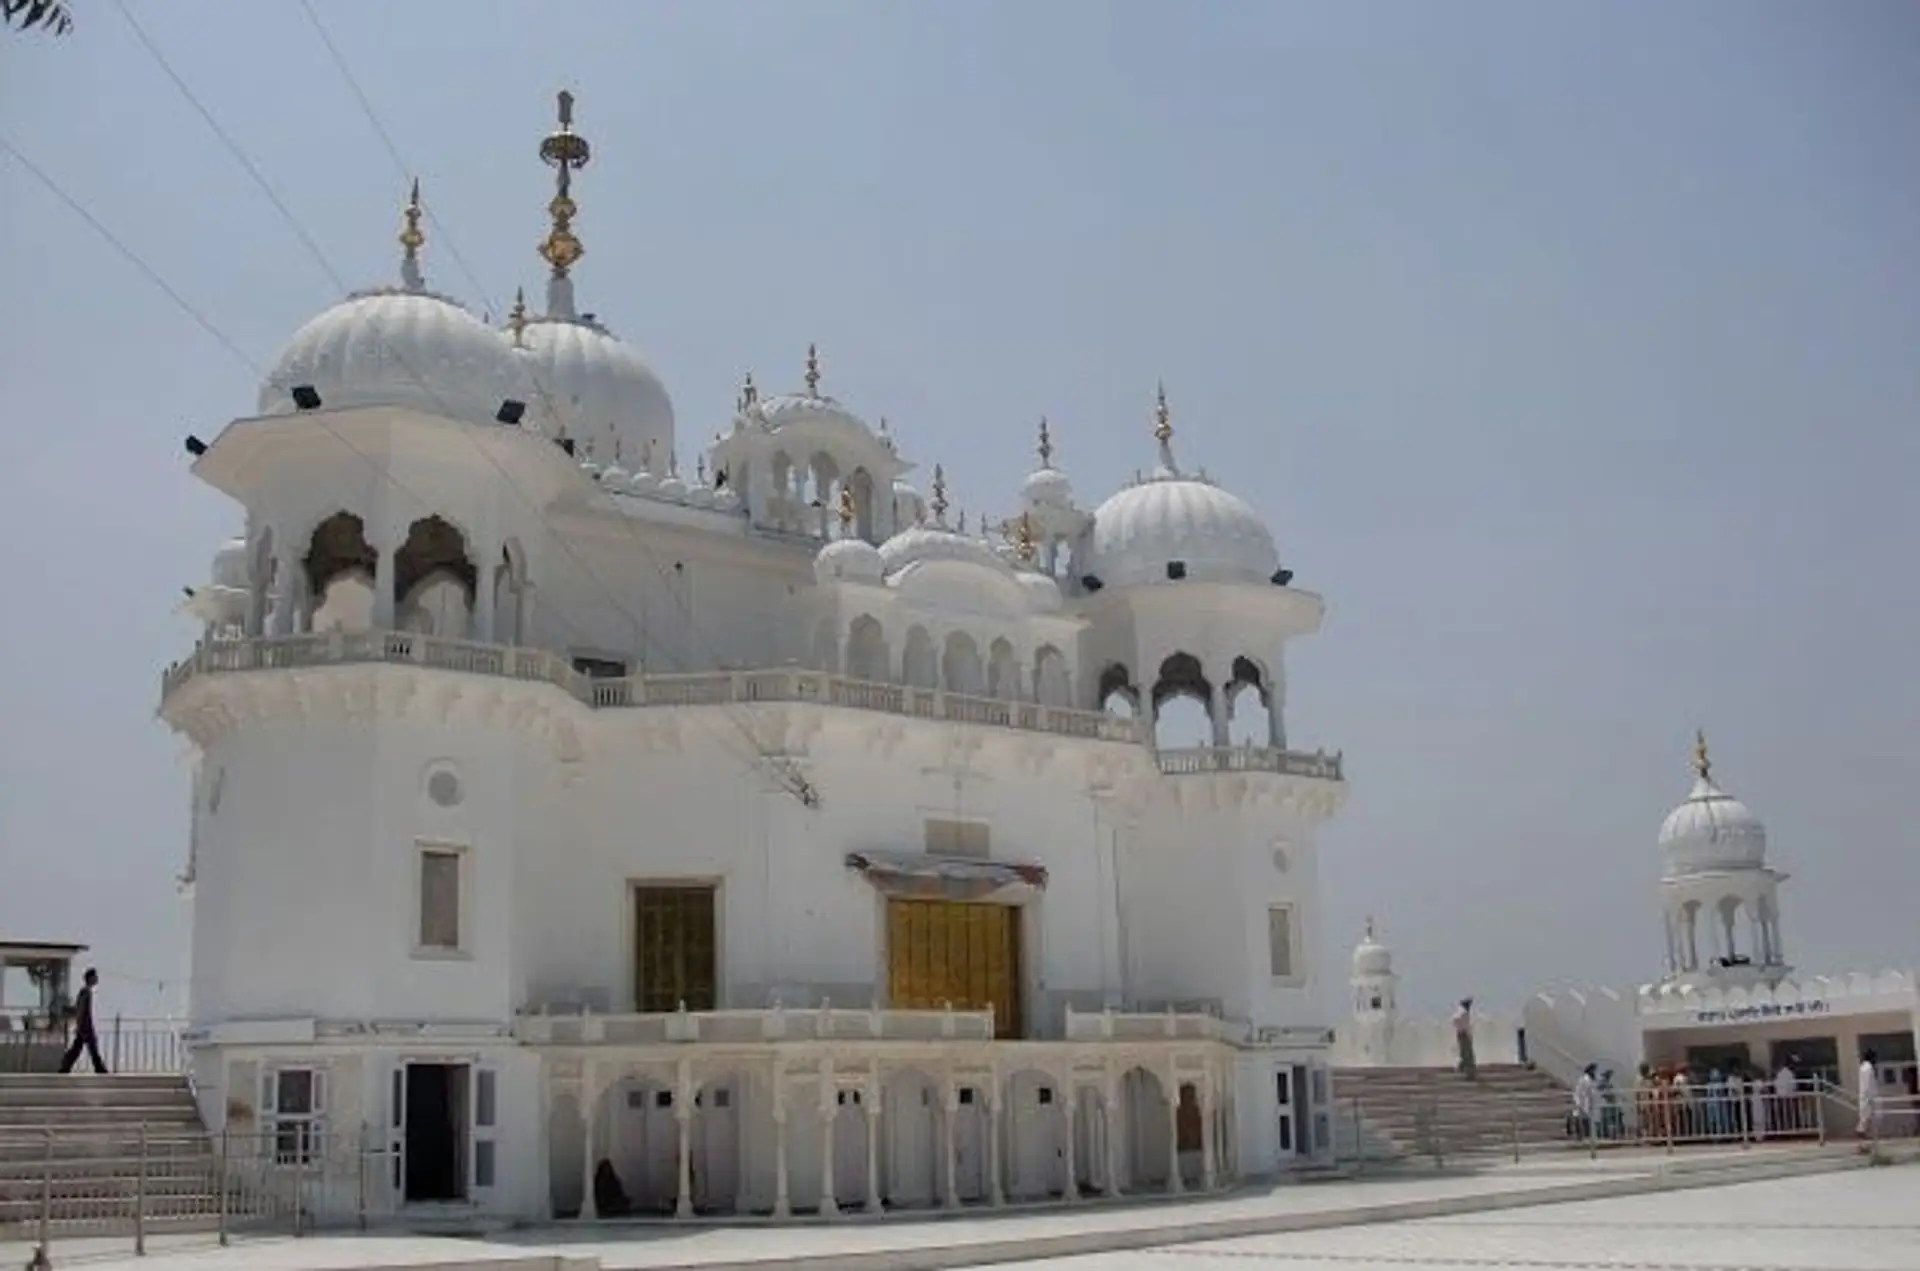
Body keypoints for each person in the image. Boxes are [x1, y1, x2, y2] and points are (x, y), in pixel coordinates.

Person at [59, 968, 109, 1074]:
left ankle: (65, 1066)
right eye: (95, 977)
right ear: (90, 978)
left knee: (78, 1048)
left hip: (84, 1025)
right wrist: (80, 1024)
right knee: (91, 1047)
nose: (97, 979)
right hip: (85, 1025)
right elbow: (81, 1009)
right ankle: (99, 1068)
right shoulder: (85, 992)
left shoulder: (86, 991)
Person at [1857, 1049, 1880, 1147]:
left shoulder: (1864, 1067)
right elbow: (1867, 1085)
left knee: (1868, 1121)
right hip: (1867, 1098)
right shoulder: (1867, 1068)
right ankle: (1863, 1143)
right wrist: (1870, 1098)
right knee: (1865, 1121)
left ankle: (1867, 1143)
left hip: (1867, 1097)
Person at [1451, 997, 1477, 1080]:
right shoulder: (1465, 1013)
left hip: (1460, 1033)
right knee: (1468, 1055)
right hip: (1464, 1034)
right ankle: (1469, 1074)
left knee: (1464, 1053)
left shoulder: (1459, 1013)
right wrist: (1468, 1034)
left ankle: (1461, 1069)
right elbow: (1466, 1026)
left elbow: (1455, 1021)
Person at [1571, 1063, 1598, 1140]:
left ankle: (1587, 1137)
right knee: (1581, 1121)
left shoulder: (1591, 1080)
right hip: (1583, 1103)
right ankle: (1581, 1137)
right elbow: (1578, 1092)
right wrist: (1578, 1103)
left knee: (1587, 1121)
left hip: (1589, 1103)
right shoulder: (1583, 1080)